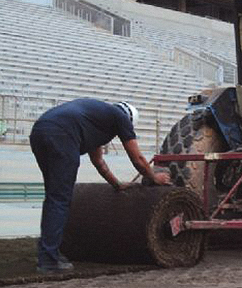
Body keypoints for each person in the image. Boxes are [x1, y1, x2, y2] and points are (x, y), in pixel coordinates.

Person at [29, 98, 170, 273]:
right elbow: (138, 160)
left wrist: (116, 184)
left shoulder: (97, 119)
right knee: (59, 199)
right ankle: (48, 259)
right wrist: (154, 177)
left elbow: (98, 161)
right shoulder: (121, 118)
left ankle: (47, 251)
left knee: (54, 196)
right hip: (62, 135)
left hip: (40, 130)